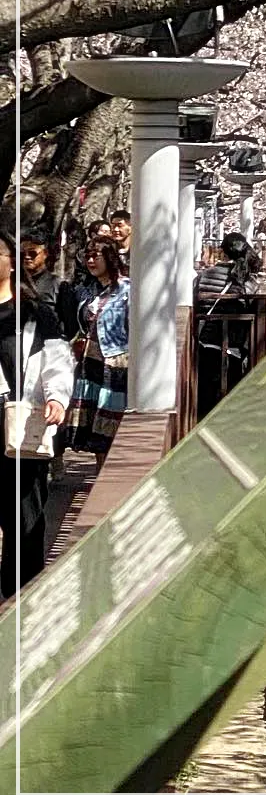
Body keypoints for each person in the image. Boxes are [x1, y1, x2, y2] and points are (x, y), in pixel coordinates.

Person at [0, 229, 75, 600]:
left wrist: (58, 398)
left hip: (21, 425)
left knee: (23, 513)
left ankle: (22, 596)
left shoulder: (36, 315)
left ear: (12, 261)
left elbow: (58, 361)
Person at [61, 237, 129, 457]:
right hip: (89, 361)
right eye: (87, 256)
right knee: (93, 431)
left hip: (117, 361)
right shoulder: (84, 290)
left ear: (109, 257)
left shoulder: (128, 289)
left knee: (111, 424)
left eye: (95, 256)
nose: (90, 261)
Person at [195, 234, 264, 415]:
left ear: (221, 251)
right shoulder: (249, 283)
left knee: (205, 398)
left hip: (204, 344)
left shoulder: (204, 277)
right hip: (233, 348)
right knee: (230, 401)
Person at [18, 229, 79, 338]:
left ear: (46, 254)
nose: (26, 257)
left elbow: (71, 328)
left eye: (32, 253)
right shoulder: (11, 283)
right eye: (22, 253)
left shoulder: (60, 285)